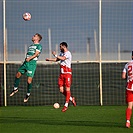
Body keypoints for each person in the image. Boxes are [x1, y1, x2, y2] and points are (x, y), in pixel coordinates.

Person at [10, 33, 42, 103]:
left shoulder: (39, 46)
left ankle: (27, 94)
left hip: (31, 63)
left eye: (34, 36)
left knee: (29, 81)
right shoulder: (30, 46)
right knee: (18, 74)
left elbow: (36, 54)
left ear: (37, 39)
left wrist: (30, 58)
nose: (33, 36)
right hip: (26, 62)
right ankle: (15, 89)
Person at [46, 42, 76, 112]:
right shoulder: (61, 53)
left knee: (67, 89)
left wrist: (55, 54)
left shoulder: (68, 53)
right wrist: (49, 59)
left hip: (67, 73)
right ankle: (71, 99)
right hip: (61, 74)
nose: (60, 48)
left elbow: (63, 58)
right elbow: (57, 59)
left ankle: (66, 105)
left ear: (64, 46)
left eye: (60, 46)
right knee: (61, 90)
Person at [122, 51, 133, 128]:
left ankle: (127, 122)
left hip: (129, 87)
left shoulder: (127, 64)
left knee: (129, 106)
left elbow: (123, 76)